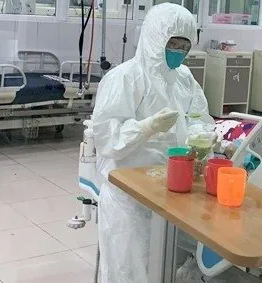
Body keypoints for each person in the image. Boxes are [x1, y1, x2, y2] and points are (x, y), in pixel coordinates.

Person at [91, 3, 212, 283]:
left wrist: (203, 136)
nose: (179, 51)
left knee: (171, 260)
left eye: (185, 45)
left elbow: (198, 115)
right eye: (174, 43)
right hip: (129, 192)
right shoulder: (124, 78)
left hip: (175, 184)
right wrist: (146, 127)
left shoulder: (184, 78)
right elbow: (108, 137)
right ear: (155, 38)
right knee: (134, 266)